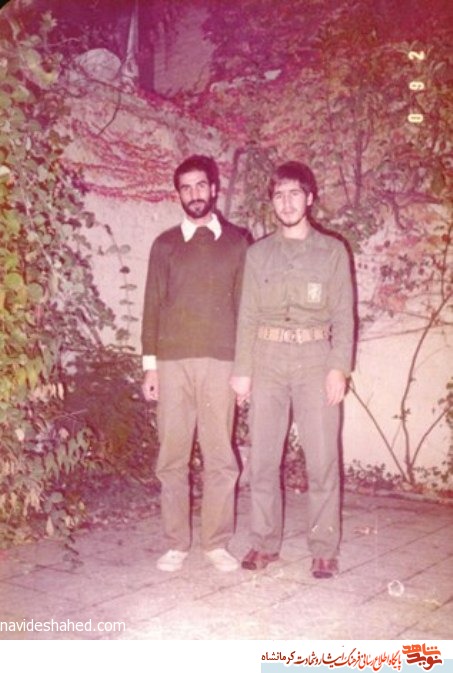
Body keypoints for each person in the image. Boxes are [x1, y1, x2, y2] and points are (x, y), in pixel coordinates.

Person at [230, 161, 355, 578]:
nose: (286, 203)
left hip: (315, 360)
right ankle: (264, 543)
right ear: (272, 202)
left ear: (309, 198)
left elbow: (344, 315)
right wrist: (242, 370)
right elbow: (247, 315)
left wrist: (338, 368)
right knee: (263, 458)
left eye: (294, 194)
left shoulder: (332, 251)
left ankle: (324, 547)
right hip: (267, 360)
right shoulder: (258, 254)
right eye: (279, 196)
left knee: (322, 459)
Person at [141, 154, 248, 573]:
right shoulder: (165, 244)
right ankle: (176, 543)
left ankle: (216, 543)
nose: (194, 194)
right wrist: (150, 366)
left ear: (214, 189)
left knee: (220, 455)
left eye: (200, 185)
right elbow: (152, 305)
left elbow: (246, 308)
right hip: (172, 363)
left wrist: (245, 367)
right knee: (172, 455)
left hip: (221, 361)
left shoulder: (237, 242)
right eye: (185, 188)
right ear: (178, 195)